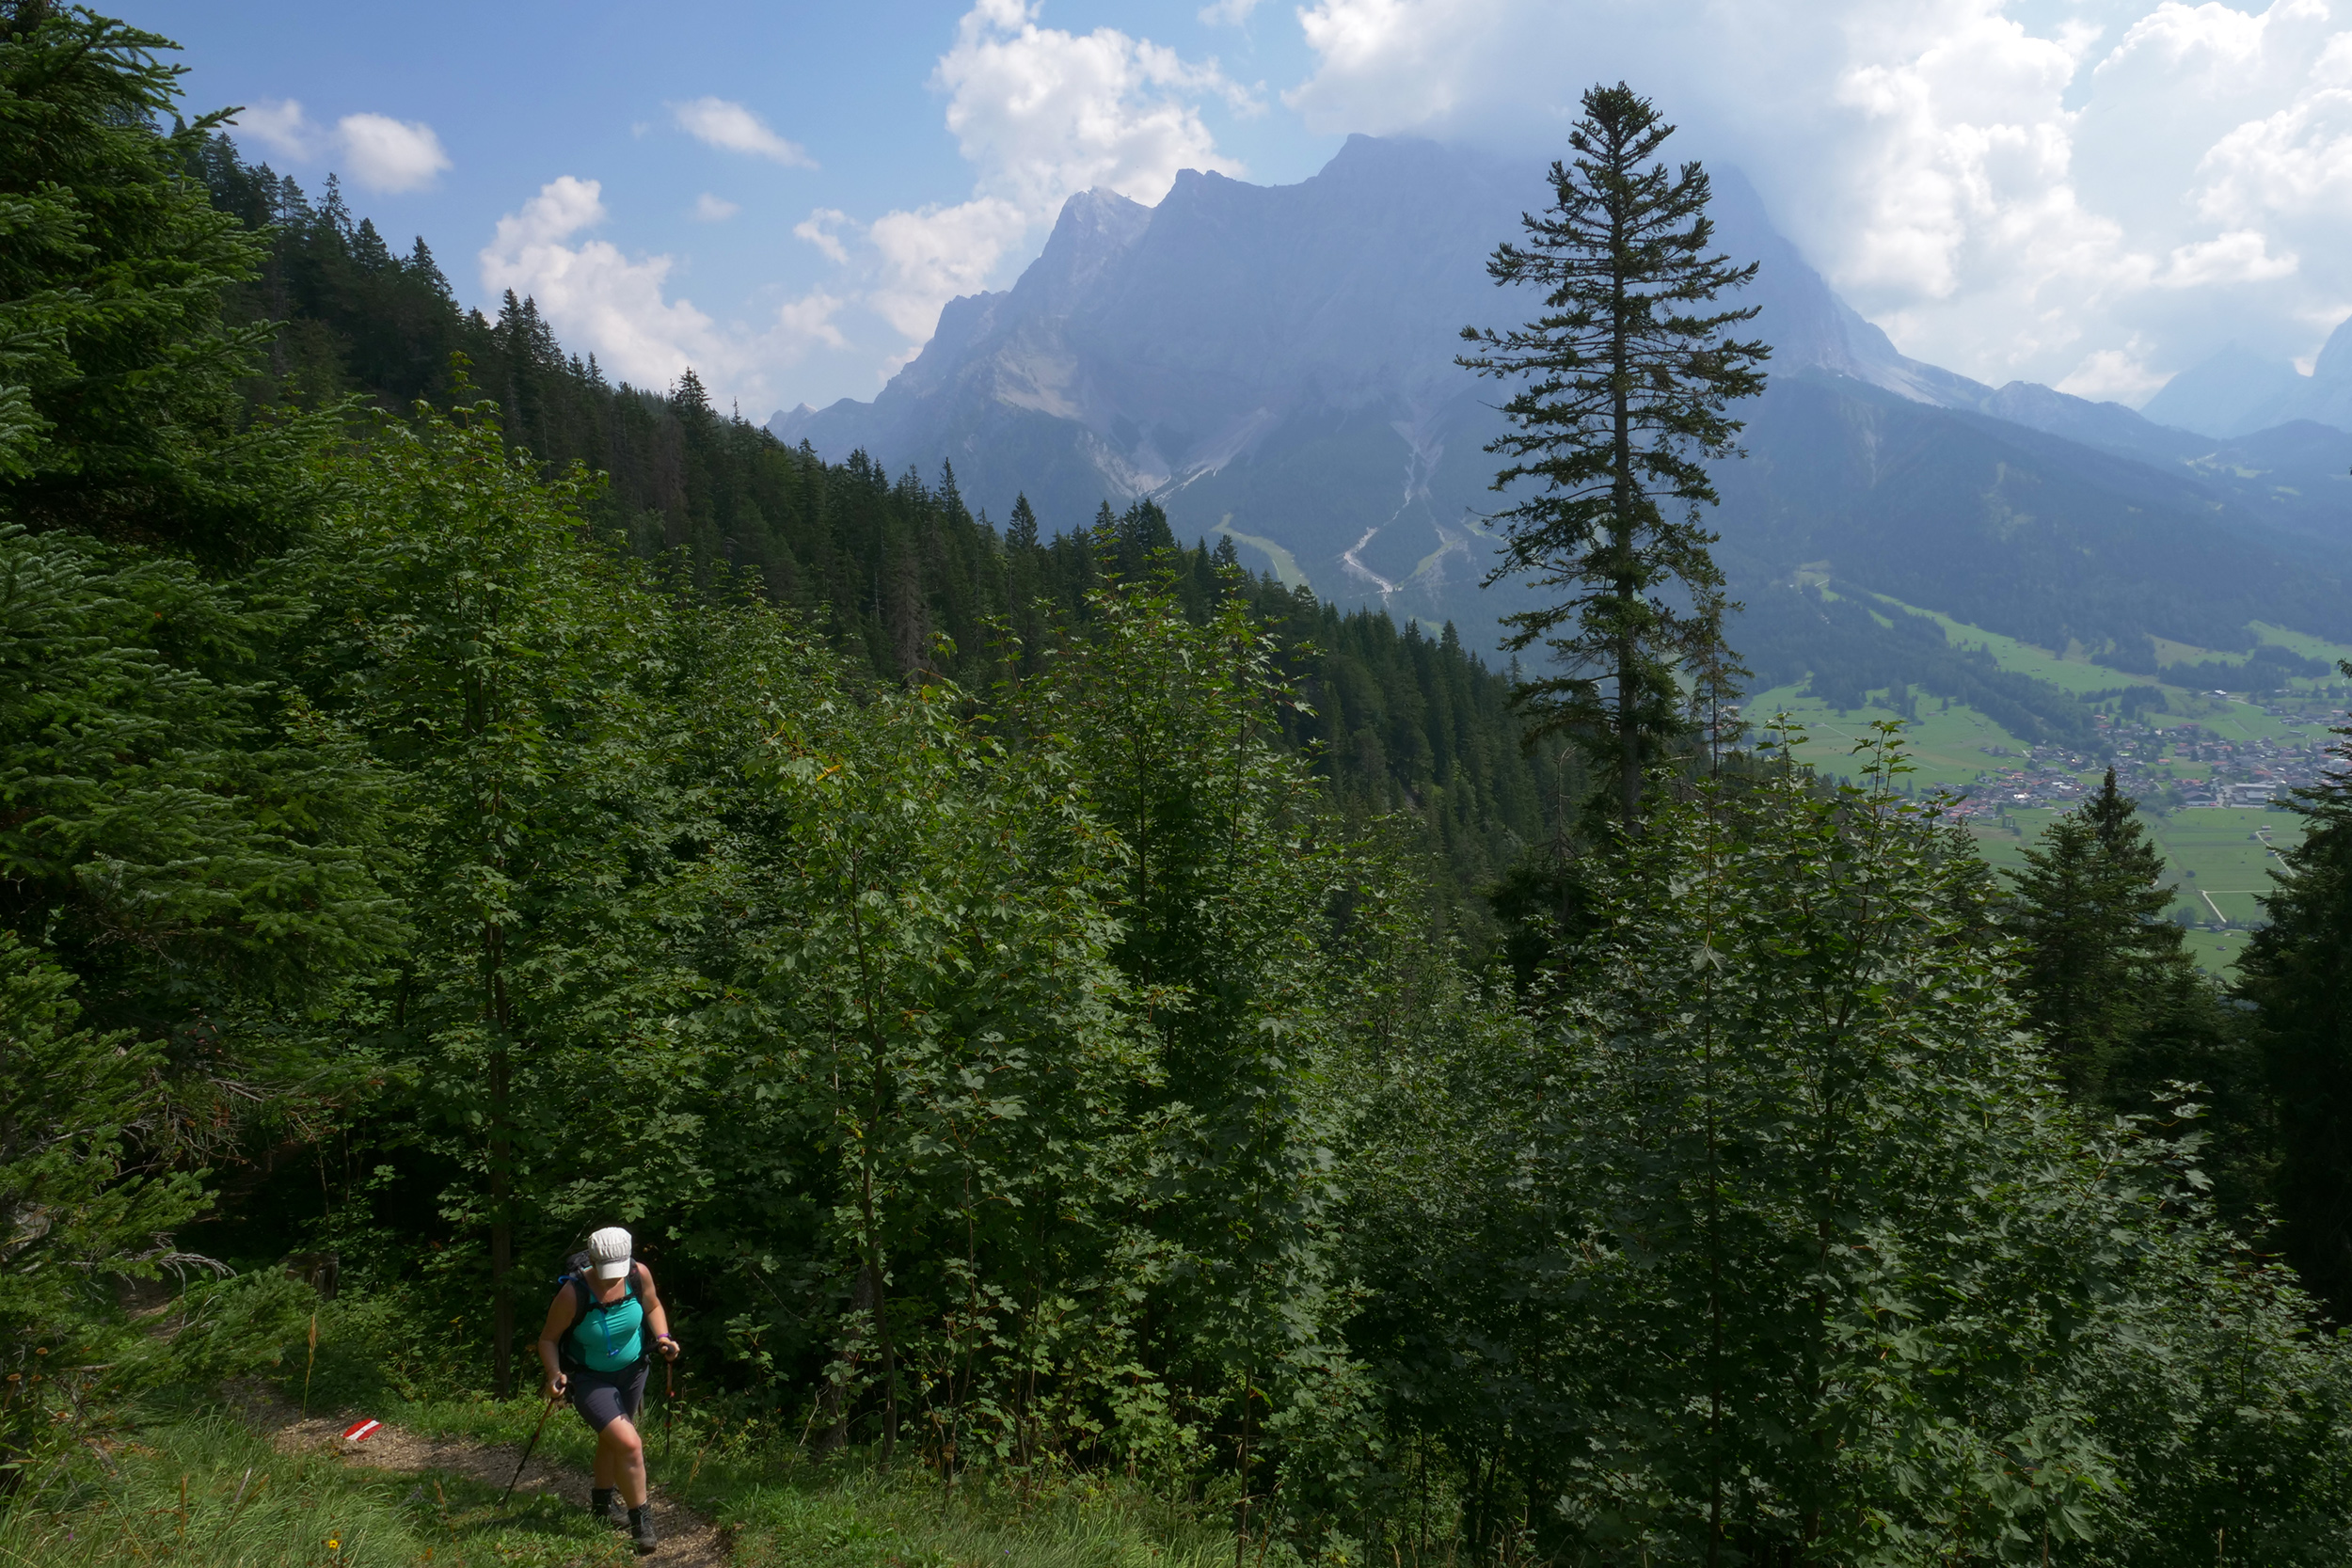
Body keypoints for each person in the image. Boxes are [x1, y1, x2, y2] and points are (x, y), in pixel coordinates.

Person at [535, 1226, 679, 1555]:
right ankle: (641, 1522)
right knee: (629, 1442)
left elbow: (653, 1307)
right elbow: (548, 1339)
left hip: (633, 1372)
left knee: (612, 1439)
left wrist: (662, 1338)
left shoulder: (637, 1274)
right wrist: (554, 1373)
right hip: (588, 1379)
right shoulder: (573, 1294)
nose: (613, 1278)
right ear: (595, 1260)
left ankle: (601, 1505)